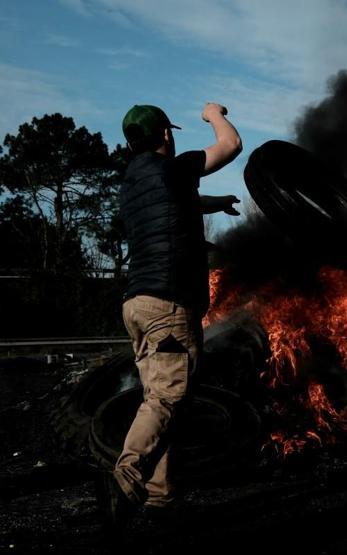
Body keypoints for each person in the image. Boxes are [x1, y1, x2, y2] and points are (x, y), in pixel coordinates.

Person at [103, 102, 242, 528]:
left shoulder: (134, 182)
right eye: (171, 131)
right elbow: (231, 144)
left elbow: (181, 200)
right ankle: (125, 478)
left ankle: (159, 501)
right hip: (168, 304)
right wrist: (213, 113)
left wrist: (217, 202)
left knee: (158, 401)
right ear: (166, 134)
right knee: (167, 398)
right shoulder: (176, 167)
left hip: (136, 305)